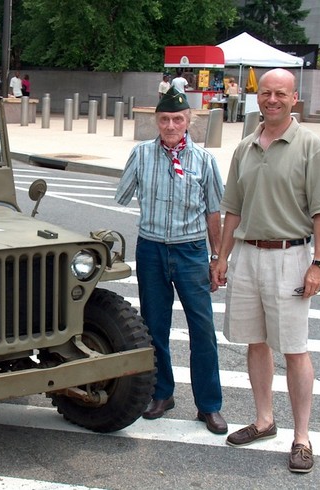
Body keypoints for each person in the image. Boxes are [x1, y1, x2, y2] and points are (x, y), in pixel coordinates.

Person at [212, 69, 320, 474]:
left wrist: (318, 263)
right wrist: (222, 257)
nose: (272, 99)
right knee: (255, 342)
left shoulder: (310, 146)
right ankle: (264, 419)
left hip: (292, 258)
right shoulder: (245, 147)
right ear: (257, 97)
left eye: (280, 93)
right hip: (249, 255)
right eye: (265, 93)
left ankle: (302, 437)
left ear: (293, 97)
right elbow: (232, 209)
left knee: (295, 349)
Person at [115, 86, 227, 435]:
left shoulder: (204, 161)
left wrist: (216, 257)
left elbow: (213, 213)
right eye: (164, 119)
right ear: (156, 121)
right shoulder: (142, 154)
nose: (170, 125)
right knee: (153, 327)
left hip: (191, 251)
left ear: (189, 120)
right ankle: (162, 393)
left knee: (203, 330)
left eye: (178, 118)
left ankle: (208, 405)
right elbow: (122, 195)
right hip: (150, 249)